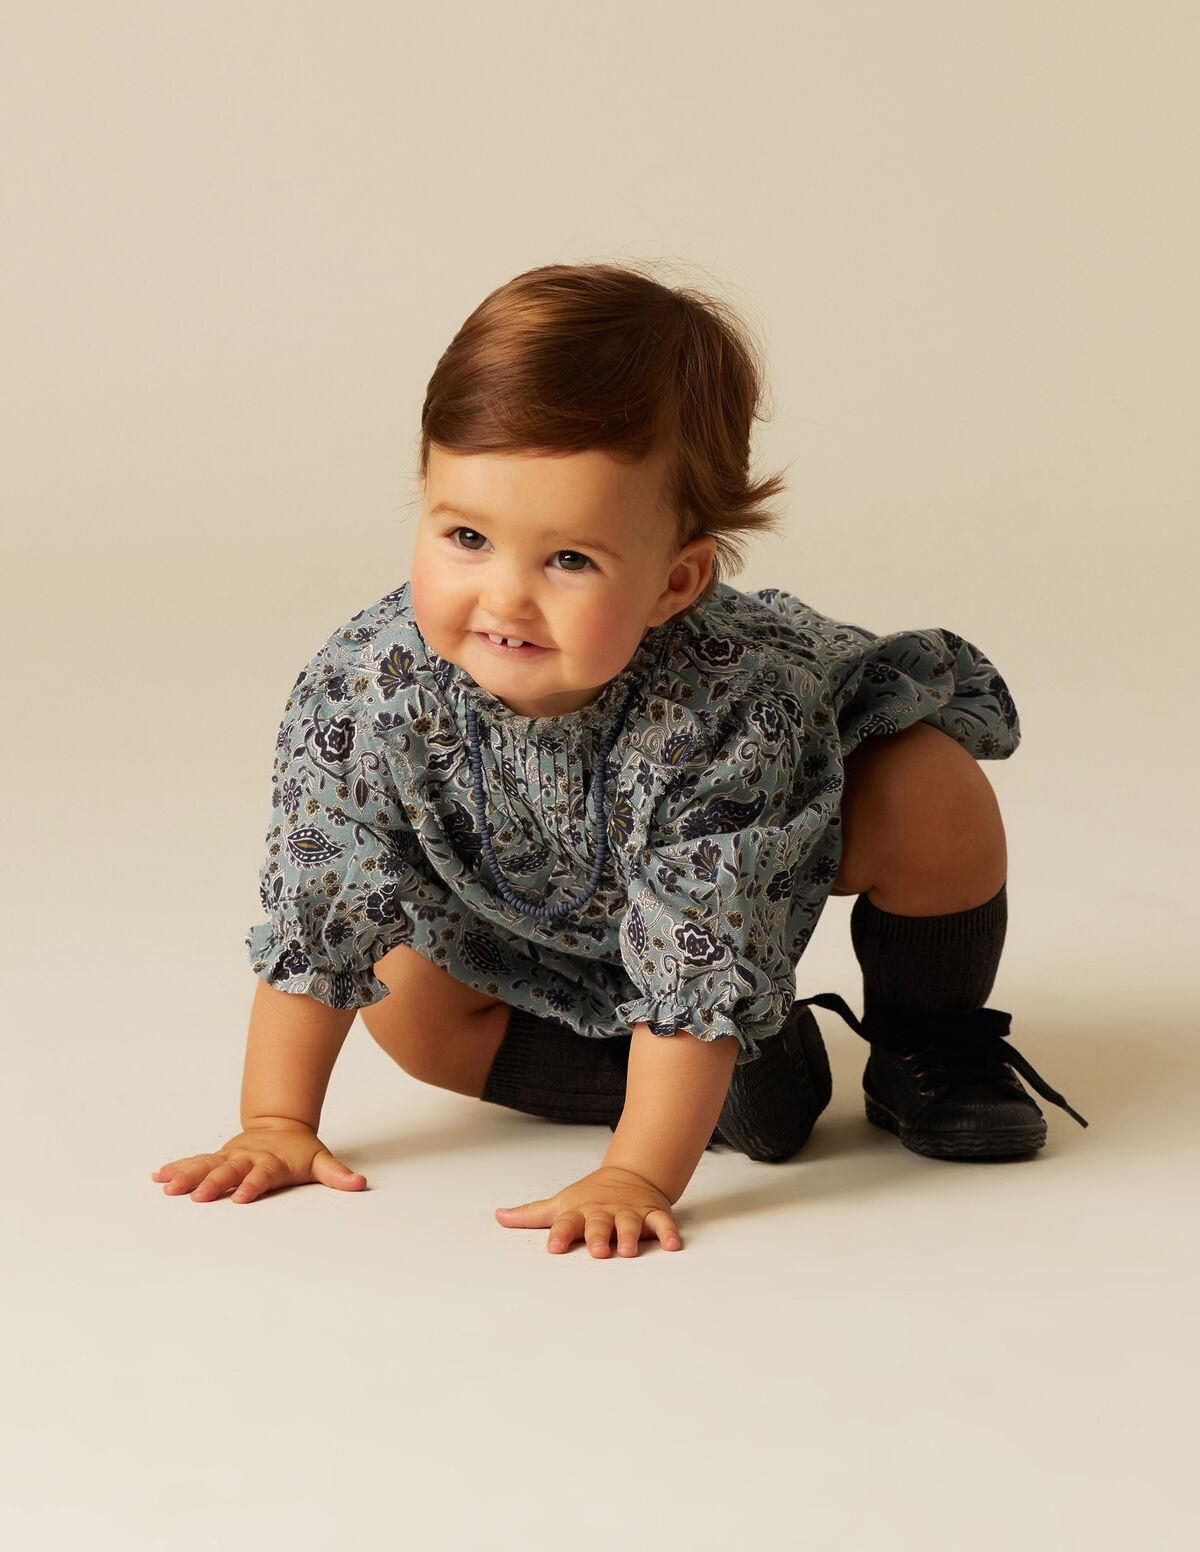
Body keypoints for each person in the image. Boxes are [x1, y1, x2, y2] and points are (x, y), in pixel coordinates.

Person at [151, 261, 1087, 1257]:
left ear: (675, 580)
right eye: (466, 535)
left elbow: (701, 921)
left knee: (930, 792)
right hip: (515, 917)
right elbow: (322, 893)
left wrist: (638, 1174)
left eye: (569, 560)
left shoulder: (727, 714)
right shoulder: (368, 682)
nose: (505, 597)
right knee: (408, 1002)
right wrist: (277, 1120)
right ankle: (719, 1080)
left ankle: (927, 1044)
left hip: (715, 894)